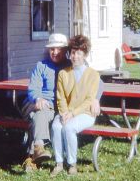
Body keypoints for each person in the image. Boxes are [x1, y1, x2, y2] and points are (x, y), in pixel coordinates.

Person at [21, 33, 101, 173]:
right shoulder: (41, 66)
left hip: (57, 108)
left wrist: (96, 99)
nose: (55, 52)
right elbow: (33, 88)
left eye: (59, 49)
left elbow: (97, 82)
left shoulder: (71, 64)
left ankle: (33, 156)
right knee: (39, 113)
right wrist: (37, 98)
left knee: (42, 116)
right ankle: (37, 150)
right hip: (38, 103)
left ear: (65, 50)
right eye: (52, 49)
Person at [50, 35, 100, 176]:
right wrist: (65, 113)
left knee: (69, 127)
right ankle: (59, 162)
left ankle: (72, 164)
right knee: (56, 126)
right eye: (73, 52)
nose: (75, 56)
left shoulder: (93, 75)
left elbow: (89, 100)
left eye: (79, 53)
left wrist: (72, 114)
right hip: (66, 113)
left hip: (85, 113)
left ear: (85, 55)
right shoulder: (63, 74)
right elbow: (60, 97)